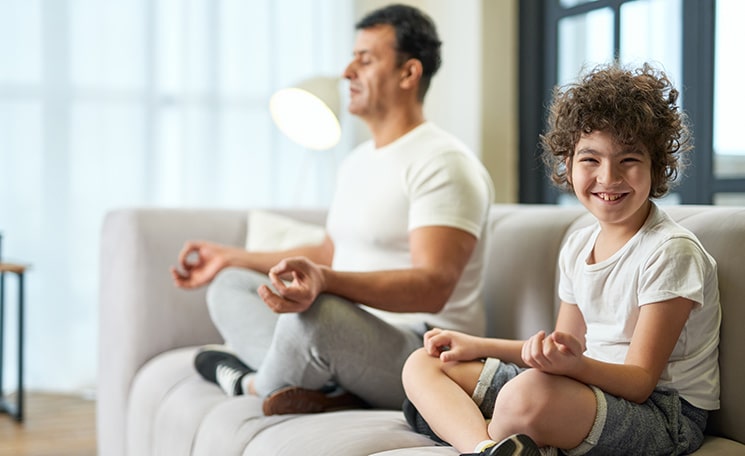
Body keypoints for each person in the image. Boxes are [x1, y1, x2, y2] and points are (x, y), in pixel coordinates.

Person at [171, 3, 494, 416]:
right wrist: (231, 257)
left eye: (365, 60)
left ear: (408, 73)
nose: (347, 72)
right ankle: (325, 381)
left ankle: (252, 384)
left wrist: (325, 283)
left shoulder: (444, 162)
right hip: (353, 335)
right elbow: (328, 252)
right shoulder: (357, 162)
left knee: (316, 314)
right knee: (230, 284)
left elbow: (434, 285)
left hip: (425, 353)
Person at [400, 62, 721, 456]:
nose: (608, 177)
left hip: (661, 412)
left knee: (525, 394)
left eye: (629, 160)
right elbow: (560, 351)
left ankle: (479, 428)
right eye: (590, 160)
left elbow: (639, 381)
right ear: (567, 165)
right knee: (424, 363)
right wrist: (475, 344)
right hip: (586, 387)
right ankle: (485, 446)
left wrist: (569, 369)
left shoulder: (670, 251)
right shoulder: (577, 245)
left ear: (656, 168)